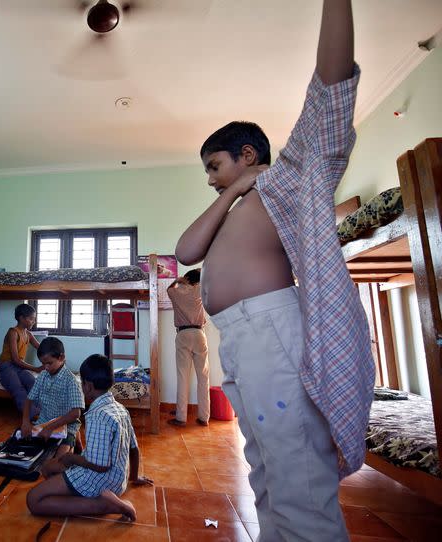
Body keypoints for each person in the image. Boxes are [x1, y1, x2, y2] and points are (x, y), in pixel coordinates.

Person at [175, 1, 374, 540]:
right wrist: (233, 190)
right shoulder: (239, 202)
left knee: (297, 476)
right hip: (240, 338)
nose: (211, 179)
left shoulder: (284, 182)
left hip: (270, 329)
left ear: (246, 153)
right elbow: (185, 249)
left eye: (215, 167)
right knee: (264, 468)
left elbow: (330, 90)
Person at [26, 354, 153, 522]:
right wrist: (134, 477)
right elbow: (134, 449)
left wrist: (72, 458)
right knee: (47, 467)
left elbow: (100, 466)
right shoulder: (121, 409)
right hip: (118, 481)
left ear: (88, 386)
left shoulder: (97, 416)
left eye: (82, 383)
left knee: (33, 500)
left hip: (99, 481)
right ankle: (89, 498)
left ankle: (104, 505)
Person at [21, 337, 85, 459]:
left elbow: (76, 413)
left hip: (67, 426)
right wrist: (25, 422)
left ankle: (74, 437)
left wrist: (51, 427)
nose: (46, 367)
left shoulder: (70, 381)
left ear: (61, 357)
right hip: (44, 423)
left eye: (49, 363)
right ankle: (75, 440)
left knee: (60, 462)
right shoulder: (43, 376)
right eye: (43, 363)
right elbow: (29, 400)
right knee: (29, 452)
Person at [166, 269, 209, 427]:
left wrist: (178, 280)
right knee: (203, 377)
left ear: (186, 279)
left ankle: (181, 417)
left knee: (183, 377)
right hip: (199, 334)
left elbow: (168, 289)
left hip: (183, 334)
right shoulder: (200, 288)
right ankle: (204, 417)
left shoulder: (177, 291)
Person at [0, 303, 42, 415]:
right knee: (18, 389)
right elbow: (15, 359)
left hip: (18, 368)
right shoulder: (13, 332)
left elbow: (41, 348)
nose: (33, 321)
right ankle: (31, 415)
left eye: (34, 319)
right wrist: (36, 369)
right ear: (21, 318)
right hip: (6, 367)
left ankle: (41, 412)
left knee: (33, 382)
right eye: (31, 318)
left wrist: (56, 355)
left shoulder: (28, 334)